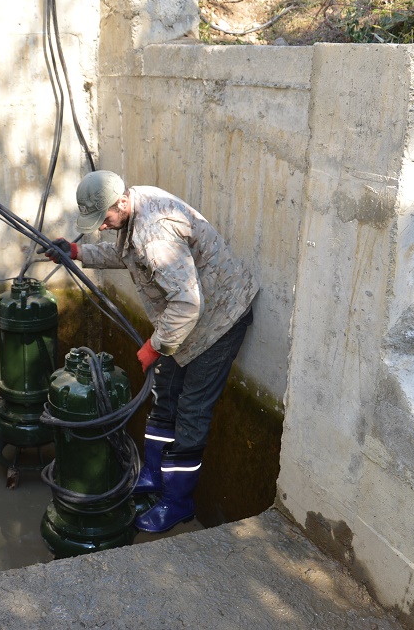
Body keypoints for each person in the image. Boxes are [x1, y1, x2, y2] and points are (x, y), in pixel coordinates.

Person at [44, 170, 258, 533]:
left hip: (219, 319)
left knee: (191, 411)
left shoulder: (155, 234)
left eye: (104, 218)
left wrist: (154, 346)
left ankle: (178, 502)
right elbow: (128, 256)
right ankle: (155, 475)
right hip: (187, 321)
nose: (103, 227)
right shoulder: (135, 206)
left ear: (121, 202)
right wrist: (77, 252)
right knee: (165, 394)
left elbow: (188, 303)